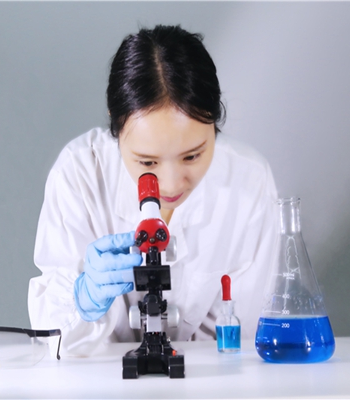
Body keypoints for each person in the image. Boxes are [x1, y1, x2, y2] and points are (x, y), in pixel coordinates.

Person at [28, 25, 278, 357]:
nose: (172, 184)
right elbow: (54, 338)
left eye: (193, 156)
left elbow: (240, 338)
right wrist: (83, 302)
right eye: (147, 162)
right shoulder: (80, 173)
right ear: (116, 125)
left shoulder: (247, 180)